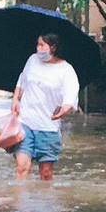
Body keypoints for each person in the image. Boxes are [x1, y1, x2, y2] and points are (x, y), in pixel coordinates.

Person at [11, 30, 80, 182]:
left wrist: (63, 110)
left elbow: (70, 97)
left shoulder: (66, 70)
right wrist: (15, 99)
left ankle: (44, 202)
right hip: (25, 123)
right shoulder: (32, 60)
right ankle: (20, 203)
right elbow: (22, 80)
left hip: (48, 126)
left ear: (53, 47)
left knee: (46, 172)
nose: (38, 48)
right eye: (37, 44)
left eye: (42, 45)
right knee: (22, 166)